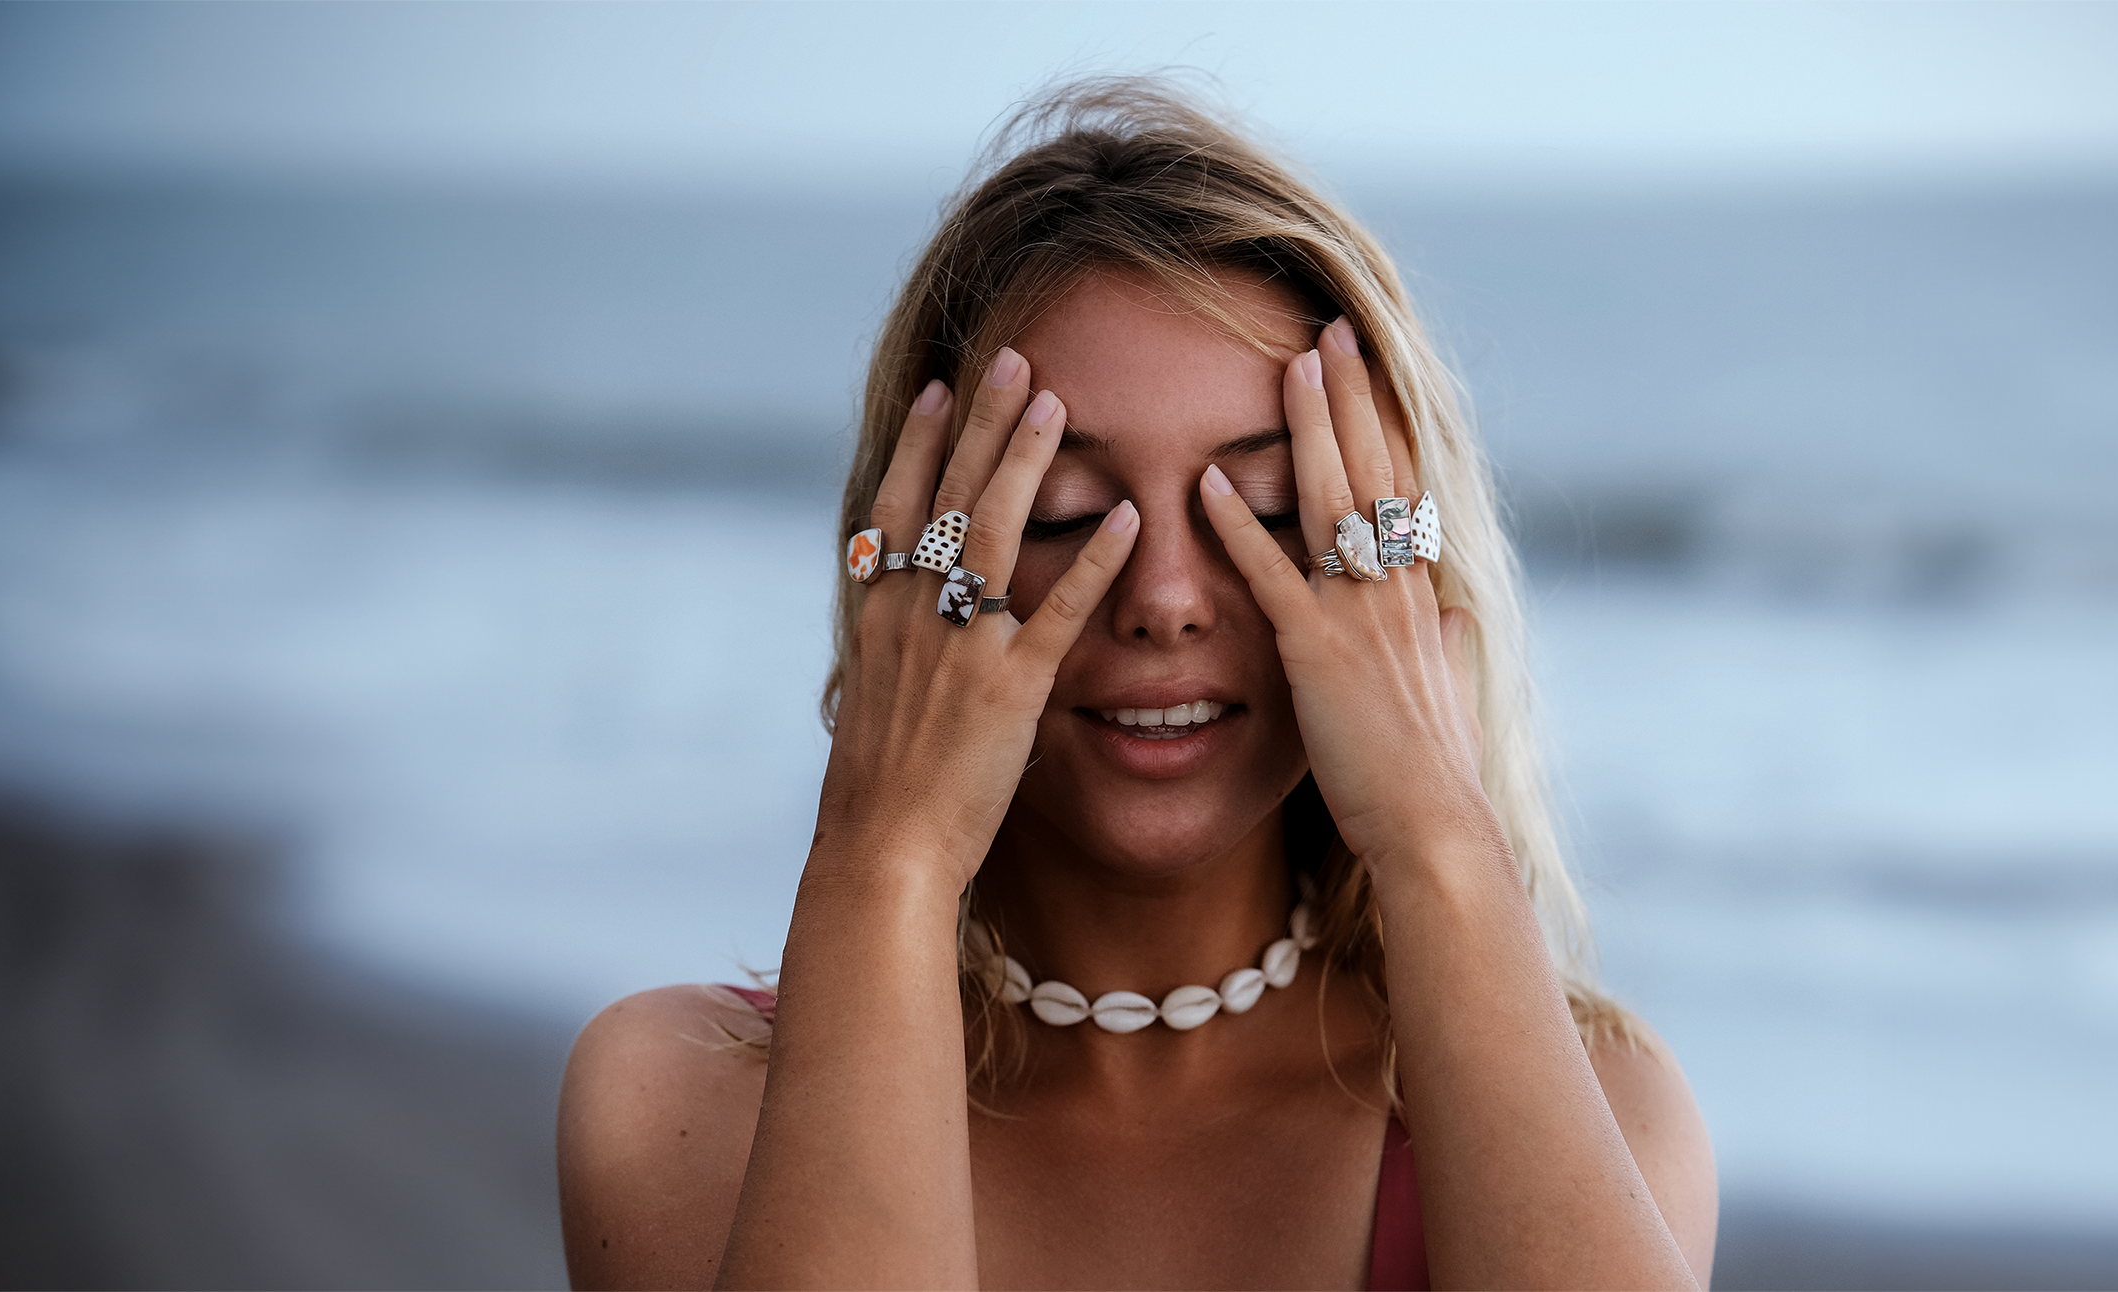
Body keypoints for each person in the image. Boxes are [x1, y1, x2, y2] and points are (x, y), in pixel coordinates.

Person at [555, 78, 1715, 1291]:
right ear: (912, 564)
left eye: (1263, 512)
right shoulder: (671, 1101)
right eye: (1059, 514)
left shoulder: (1610, 1120)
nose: (1163, 593)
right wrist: (885, 852)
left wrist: (1437, 828)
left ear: (1398, 576)